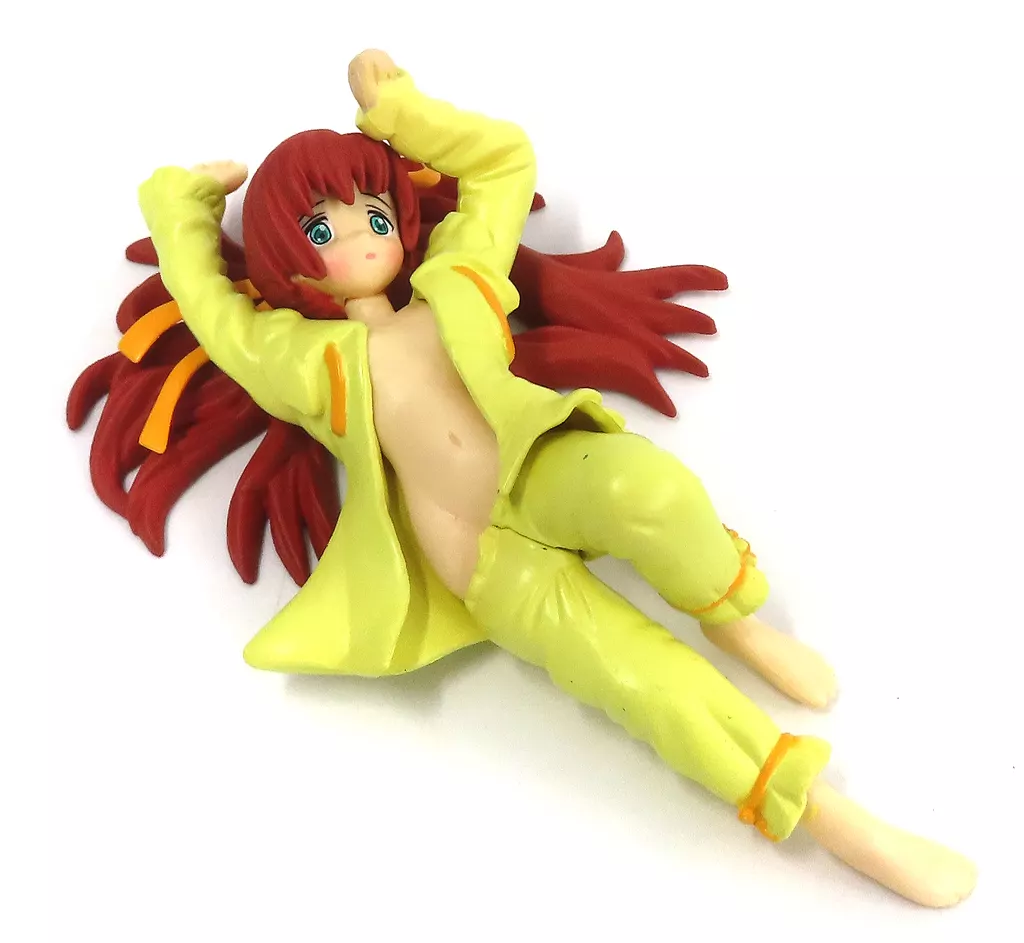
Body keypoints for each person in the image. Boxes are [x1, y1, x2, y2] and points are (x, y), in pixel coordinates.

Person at [69, 49, 976, 907]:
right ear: (287, 259)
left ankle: (728, 614)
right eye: (320, 228)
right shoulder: (302, 359)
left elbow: (504, 161)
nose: (359, 238)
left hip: (537, 464)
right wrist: (181, 205)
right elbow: (214, 313)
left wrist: (399, 111)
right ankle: (824, 813)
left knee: (650, 491)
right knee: (635, 676)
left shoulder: (455, 281)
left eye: (373, 215)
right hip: (476, 555)